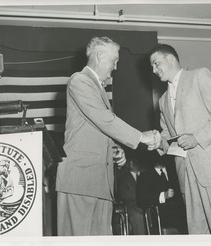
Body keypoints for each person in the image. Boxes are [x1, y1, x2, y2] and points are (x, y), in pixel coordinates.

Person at [55, 36, 160, 236]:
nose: (116, 67)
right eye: (114, 60)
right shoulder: (80, 80)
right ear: (100, 55)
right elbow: (104, 119)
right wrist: (140, 137)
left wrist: (115, 150)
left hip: (100, 184)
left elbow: (96, 129)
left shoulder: (98, 88)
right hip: (80, 181)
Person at [149, 44, 211, 234]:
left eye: (156, 64)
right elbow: (167, 135)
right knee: (198, 232)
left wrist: (196, 138)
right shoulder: (163, 100)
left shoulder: (199, 76)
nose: (154, 70)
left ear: (171, 59)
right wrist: (158, 142)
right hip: (186, 174)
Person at [136, 154, 187, 234]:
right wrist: (163, 195)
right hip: (160, 214)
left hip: (182, 212)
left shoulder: (175, 171)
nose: (161, 155)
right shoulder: (145, 175)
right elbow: (141, 199)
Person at [116, 155, 146, 235]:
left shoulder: (145, 175)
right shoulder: (123, 178)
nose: (135, 163)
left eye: (136, 161)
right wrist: (141, 196)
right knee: (138, 217)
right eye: (132, 162)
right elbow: (124, 195)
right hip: (132, 207)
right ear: (127, 165)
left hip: (148, 205)